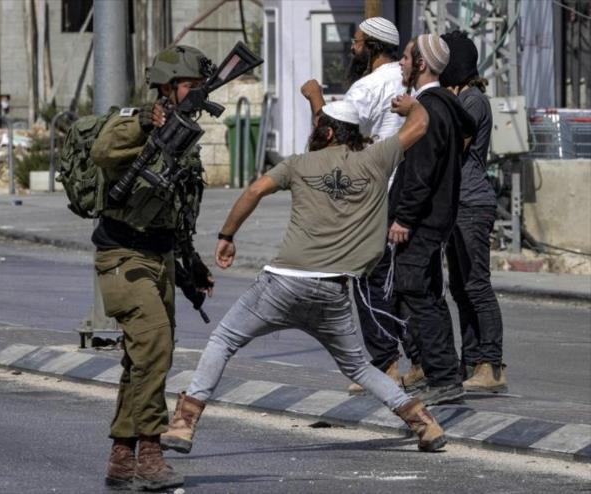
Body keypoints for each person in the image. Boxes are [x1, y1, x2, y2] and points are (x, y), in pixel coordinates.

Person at [160, 99, 448, 458]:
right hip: (334, 290)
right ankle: (424, 423)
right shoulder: (377, 157)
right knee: (358, 366)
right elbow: (420, 124)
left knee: (223, 341)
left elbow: (254, 190)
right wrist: (410, 104)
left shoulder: (297, 164)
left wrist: (227, 236)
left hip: (282, 285)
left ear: (325, 132)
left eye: (316, 127)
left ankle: (184, 424)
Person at [92, 46, 215, 492]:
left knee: (141, 358)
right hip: (122, 256)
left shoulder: (186, 135)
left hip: (160, 257)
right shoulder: (134, 121)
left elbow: (180, 207)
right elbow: (103, 151)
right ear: (167, 87)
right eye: (191, 86)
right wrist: (147, 122)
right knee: (155, 344)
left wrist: (191, 266)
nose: (198, 94)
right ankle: (151, 450)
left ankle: (122, 455)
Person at [301, 16, 425, 395]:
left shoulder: (368, 86)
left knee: (369, 283)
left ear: (372, 46)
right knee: (397, 282)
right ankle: (420, 360)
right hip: (405, 191)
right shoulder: (406, 84)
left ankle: (385, 363)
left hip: (372, 195)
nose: (352, 49)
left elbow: (330, 134)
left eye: (356, 42)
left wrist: (314, 98)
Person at [388, 34, 477, 406]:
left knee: (416, 294)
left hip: (422, 219)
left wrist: (404, 218)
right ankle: (444, 373)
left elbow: (421, 171)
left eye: (407, 58)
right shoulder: (440, 106)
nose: (402, 64)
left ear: (421, 64)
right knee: (424, 292)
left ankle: (442, 376)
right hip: (435, 217)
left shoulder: (430, 109)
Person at [439, 31, 507, 393]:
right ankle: (473, 359)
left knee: (477, 285)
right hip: (456, 203)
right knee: (460, 286)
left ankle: (492, 364)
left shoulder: (472, 100)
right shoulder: (460, 99)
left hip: (472, 201)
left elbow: (452, 143)